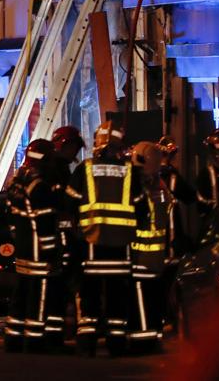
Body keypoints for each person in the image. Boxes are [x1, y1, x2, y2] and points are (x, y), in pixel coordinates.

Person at [68, 121, 143, 357]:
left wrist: (72, 239)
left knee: (89, 297)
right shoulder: (130, 171)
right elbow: (142, 209)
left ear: (96, 143)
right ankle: (116, 343)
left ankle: (87, 344)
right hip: (121, 249)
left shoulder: (85, 169)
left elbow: (69, 204)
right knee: (117, 298)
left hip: (90, 247)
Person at [4, 138, 63, 353]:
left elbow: (12, 220)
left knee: (21, 295)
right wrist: (52, 250)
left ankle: (13, 339)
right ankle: (34, 340)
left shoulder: (17, 185)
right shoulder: (40, 187)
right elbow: (44, 221)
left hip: (24, 251)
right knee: (39, 297)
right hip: (39, 254)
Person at [127, 141, 172, 353]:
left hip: (140, 255)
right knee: (155, 299)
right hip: (157, 256)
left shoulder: (141, 188)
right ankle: (154, 338)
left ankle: (142, 341)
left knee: (140, 301)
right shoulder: (161, 186)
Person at [50, 125, 86, 338]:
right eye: (74, 147)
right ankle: (60, 331)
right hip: (61, 239)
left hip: (62, 237)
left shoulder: (60, 168)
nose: (76, 152)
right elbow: (65, 204)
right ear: (63, 145)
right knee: (66, 284)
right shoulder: (57, 170)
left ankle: (62, 330)